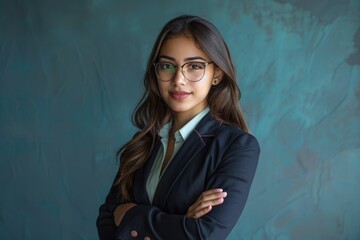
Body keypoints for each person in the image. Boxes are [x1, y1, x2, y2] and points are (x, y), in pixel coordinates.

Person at [96, 15, 260, 240]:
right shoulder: (143, 142)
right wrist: (181, 222)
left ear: (217, 74)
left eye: (194, 66)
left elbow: (204, 234)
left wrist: (128, 214)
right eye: (167, 66)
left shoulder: (237, 147)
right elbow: (105, 221)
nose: (178, 80)